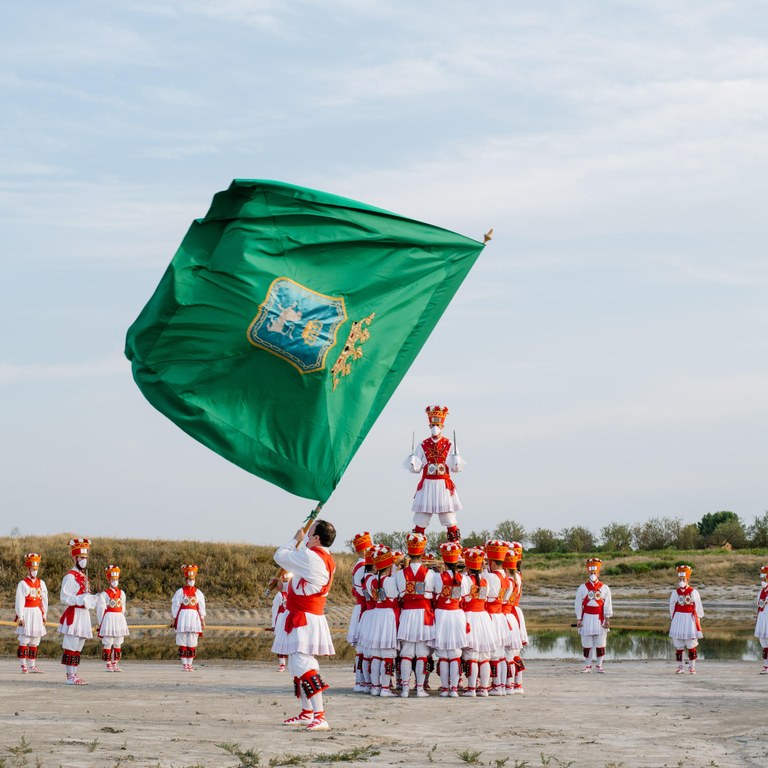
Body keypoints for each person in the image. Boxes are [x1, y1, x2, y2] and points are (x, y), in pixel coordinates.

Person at [273, 519, 337, 732]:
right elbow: (303, 582)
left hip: (305, 617)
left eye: (309, 534)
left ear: (317, 538)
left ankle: (320, 715)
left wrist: (295, 540)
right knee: (297, 664)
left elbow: (279, 556)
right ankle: (307, 713)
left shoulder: (311, 556)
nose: (306, 536)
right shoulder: (325, 558)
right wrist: (283, 585)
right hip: (306, 615)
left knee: (303, 663)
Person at [404, 405, 465, 542]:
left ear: (442, 425)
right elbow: (415, 469)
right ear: (429, 424)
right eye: (432, 423)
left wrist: (456, 463)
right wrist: (412, 462)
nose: (435, 426)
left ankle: (454, 549)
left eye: (437, 423)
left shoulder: (450, 444)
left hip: (443, 485)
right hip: (427, 484)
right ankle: (417, 552)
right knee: (421, 519)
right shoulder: (422, 445)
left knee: (449, 518)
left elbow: (456, 469)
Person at [395, 532, 437, 698]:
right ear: (422, 552)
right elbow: (434, 594)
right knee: (421, 652)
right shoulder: (431, 574)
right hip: (423, 614)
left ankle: (405, 689)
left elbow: (398, 594)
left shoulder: (399, 574)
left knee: (406, 652)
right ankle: (419, 688)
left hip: (407, 614)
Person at [58, 537, 97, 685]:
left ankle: (74, 673)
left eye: (85, 557)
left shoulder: (83, 576)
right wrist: (81, 599)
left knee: (79, 645)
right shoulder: (70, 576)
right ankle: (70, 676)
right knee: (71, 644)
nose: (84, 560)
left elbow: (86, 596)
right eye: (81, 557)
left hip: (83, 614)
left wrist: (93, 599)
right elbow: (65, 597)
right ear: (75, 557)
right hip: (74, 613)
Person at [433, 541, 469, 697]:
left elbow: (433, 595)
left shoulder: (437, 578)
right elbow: (465, 598)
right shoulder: (464, 579)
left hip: (441, 613)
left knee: (443, 653)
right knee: (455, 653)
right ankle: (454, 688)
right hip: (457, 614)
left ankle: (445, 687)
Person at [461, 546, 496, 696]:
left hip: (470, 615)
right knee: (484, 656)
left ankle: (472, 688)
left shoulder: (466, 580)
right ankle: (483, 687)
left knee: (472, 655)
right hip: (482, 616)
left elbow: (462, 598)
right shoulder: (485, 581)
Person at [365, 545, 400, 697]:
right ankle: (385, 687)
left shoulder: (372, 581)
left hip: (378, 614)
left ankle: (375, 686)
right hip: (387, 616)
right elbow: (397, 596)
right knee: (386, 653)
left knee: (376, 654)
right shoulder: (390, 582)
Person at [484, 540, 512, 695]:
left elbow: (485, 596)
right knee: (500, 654)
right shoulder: (508, 579)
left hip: (492, 616)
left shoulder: (491, 578)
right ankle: (500, 685)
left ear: (493, 563)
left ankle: (495, 685)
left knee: (494, 654)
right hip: (501, 616)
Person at [575, 557, 612, 673]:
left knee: (601, 643)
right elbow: (577, 604)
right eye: (591, 572)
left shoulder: (605, 588)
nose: (593, 574)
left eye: (595, 572)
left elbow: (607, 604)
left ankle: (599, 666)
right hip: (586, 618)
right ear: (588, 573)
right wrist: (579, 618)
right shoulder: (582, 587)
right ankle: (587, 666)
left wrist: (607, 619)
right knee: (587, 643)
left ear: (598, 573)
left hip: (599, 618)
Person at [347, 531, 373, 689]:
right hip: (365, 607)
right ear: (364, 551)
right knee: (364, 648)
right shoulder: (363, 566)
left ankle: (361, 680)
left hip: (362, 606)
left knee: (362, 648)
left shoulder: (359, 565)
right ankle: (363, 681)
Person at [15, 552, 48, 674]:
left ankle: (32, 665)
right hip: (27, 612)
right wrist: (21, 616)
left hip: (37, 613)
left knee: (35, 639)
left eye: (36, 569)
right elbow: (19, 601)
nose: (35, 571)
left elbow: (44, 600)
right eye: (32, 569)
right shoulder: (23, 584)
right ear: (28, 569)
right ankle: (23, 665)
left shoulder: (41, 583)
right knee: (25, 638)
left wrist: (44, 614)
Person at [669, 564, 704, 675]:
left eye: (683, 579)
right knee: (679, 644)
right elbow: (671, 606)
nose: (681, 581)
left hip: (689, 619)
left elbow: (698, 607)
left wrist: (697, 619)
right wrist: (673, 619)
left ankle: (692, 667)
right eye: (679, 579)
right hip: (678, 618)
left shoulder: (694, 592)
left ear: (687, 579)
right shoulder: (675, 593)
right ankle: (680, 667)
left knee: (691, 644)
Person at [171, 564, 206, 671]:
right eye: (190, 579)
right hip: (183, 617)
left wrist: (203, 620)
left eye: (193, 579)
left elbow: (201, 606)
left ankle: (189, 664)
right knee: (182, 640)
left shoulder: (198, 592)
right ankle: (184, 664)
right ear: (186, 580)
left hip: (194, 618)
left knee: (192, 640)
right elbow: (175, 605)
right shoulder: (180, 592)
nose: (191, 580)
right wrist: (173, 618)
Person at [96, 565, 129, 672]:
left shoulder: (121, 593)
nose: (115, 581)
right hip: (109, 618)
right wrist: (101, 622)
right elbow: (101, 608)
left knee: (118, 641)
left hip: (119, 617)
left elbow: (123, 606)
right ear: (109, 580)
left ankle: (115, 663)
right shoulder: (104, 594)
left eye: (116, 579)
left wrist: (121, 615)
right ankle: (108, 663)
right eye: (113, 579)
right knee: (108, 641)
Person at [502, 543, 526, 693]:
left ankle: (510, 684)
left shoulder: (510, 580)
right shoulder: (517, 576)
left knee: (509, 653)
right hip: (514, 613)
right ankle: (517, 683)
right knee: (514, 652)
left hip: (508, 613)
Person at [267, 569, 291, 672]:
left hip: (291, 619)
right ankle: (282, 664)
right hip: (281, 620)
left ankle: (294, 663)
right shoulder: (279, 595)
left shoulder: (293, 592)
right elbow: (275, 610)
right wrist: (274, 625)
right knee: (281, 643)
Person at [754, 565, 768, 674]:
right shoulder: (760, 592)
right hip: (763, 619)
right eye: (762, 578)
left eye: (764, 577)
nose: (762, 580)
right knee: (764, 644)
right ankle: (766, 666)